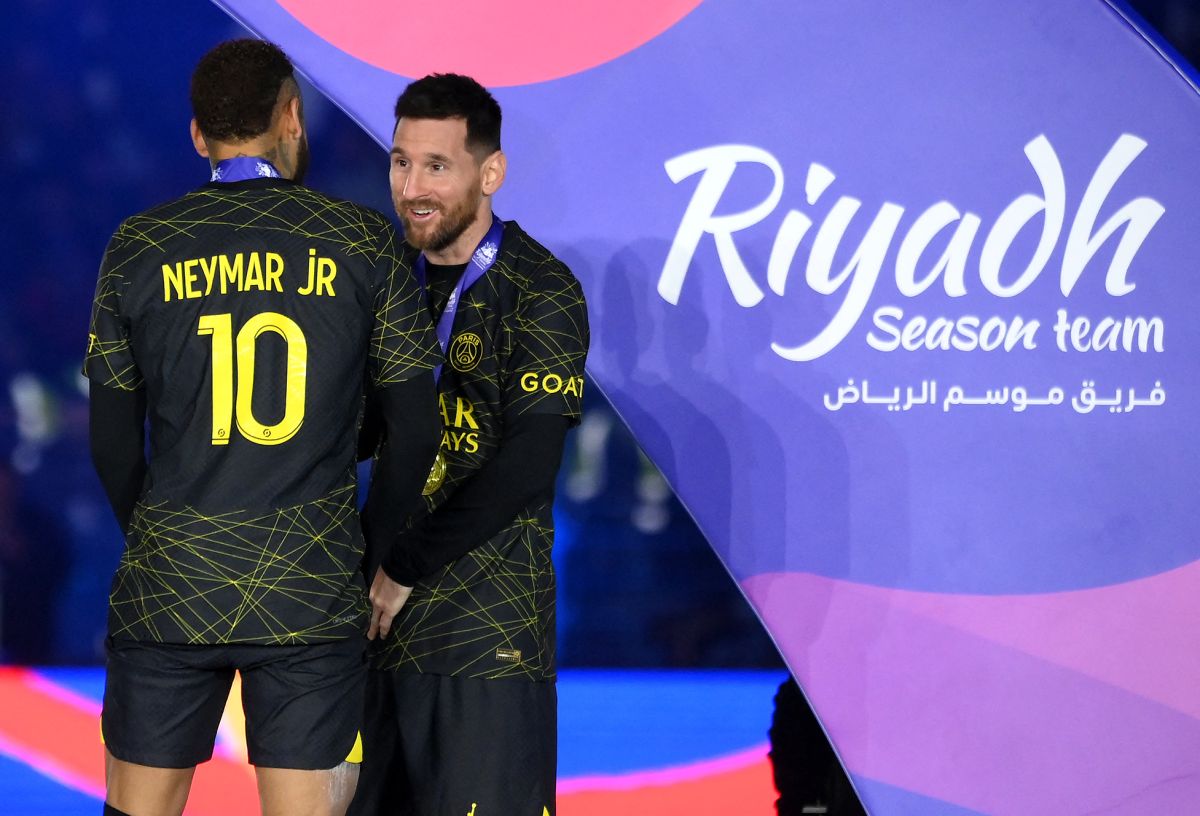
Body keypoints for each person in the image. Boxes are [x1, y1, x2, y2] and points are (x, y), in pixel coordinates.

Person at [85, 39, 441, 816]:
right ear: (292, 118)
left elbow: (110, 443)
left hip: (173, 585)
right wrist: (365, 554)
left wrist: (162, 541)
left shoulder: (138, 247)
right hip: (309, 589)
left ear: (197, 135)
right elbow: (416, 430)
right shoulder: (364, 243)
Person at [349, 74, 590, 816]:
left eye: (436, 166)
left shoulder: (540, 288)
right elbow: (362, 434)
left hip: (486, 642)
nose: (411, 188)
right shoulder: (385, 282)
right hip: (373, 634)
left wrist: (404, 564)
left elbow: (529, 465)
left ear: (491, 173)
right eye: (400, 162)